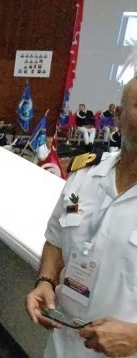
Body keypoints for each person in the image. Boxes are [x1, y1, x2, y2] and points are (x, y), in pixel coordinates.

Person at [25, 77, 137, 357]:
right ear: (119, 116)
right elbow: (55, 239)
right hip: (63, 342)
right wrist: (46, 281)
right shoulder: (84, 174)